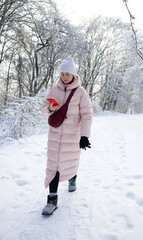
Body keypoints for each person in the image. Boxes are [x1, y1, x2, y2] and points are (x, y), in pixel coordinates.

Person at [40, 57, 93, 215]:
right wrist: (49, 108)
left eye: (67, 74)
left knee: (70, 161)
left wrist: (84, 136)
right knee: (53, 166)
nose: (64, 77)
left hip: (72, 135)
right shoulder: (54, 89)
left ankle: (72, 178)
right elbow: (43, 108)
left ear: (74, 75)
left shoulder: (81, 92)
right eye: (62, 73)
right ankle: (52, 200)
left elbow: (87, 115)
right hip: (55, 134)